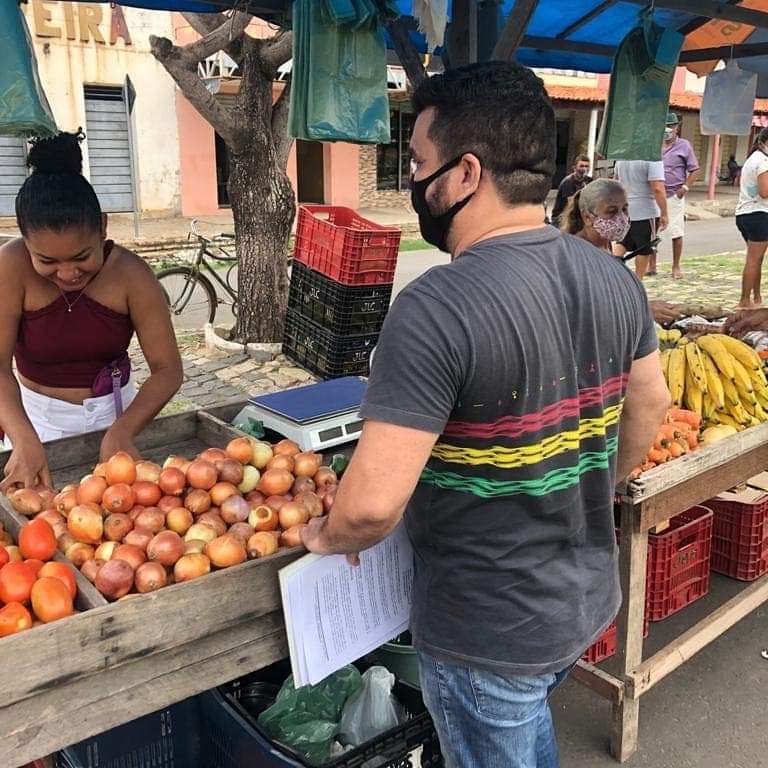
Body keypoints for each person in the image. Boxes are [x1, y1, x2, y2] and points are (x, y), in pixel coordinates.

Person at [300, 62, 670, 768]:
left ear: (465, 174)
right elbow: (650, 405)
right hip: (584, 600)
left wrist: (327, 533)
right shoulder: (611, 275)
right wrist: (579, 482)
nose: (414, 181)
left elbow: (372, 506)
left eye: (417, 162)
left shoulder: (435, 306)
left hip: (487, 632)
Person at [0, 131, 183, 490]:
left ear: (102, 228)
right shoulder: (9, 267)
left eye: (82, 257)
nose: (67, 274)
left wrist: (122, 431)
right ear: (24, 240)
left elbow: (168, 370)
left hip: (118, 415)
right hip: (36, 420)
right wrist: (22, 436)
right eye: (47, 261)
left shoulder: (132, 275)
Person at [561, 178, 682, 326]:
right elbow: (587, 309)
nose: (621, 218)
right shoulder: (575, 254)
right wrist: (643, 311)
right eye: (611, 212)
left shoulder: (604, 245)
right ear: (587, 217)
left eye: (624, 209)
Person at [613, 159, 668, 279]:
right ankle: (638, 282)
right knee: (644, 248)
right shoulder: (652, 160)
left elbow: (616, 182)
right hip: (645, 210)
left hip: (625, 208)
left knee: (622, 243)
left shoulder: (622, 159)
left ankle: (613, 275)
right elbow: (658, 188)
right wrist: (664, 212)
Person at [662, 113, 700, 279]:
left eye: (671, 126)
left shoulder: (684, 146)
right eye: (665, 126)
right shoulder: (655, 145)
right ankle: (651, 264)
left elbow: (695, 170)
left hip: (674, 193)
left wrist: (684, 188)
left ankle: (676, 266)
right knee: (651, 231)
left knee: (676, 230)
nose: (668, 130)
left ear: (677, 128)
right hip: (655, 193)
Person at [735, 127, 768, 309]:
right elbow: (764, 192)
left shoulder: (753, 158)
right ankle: (745, 300)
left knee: (757, 258)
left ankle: (756, 297)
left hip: (745, 213)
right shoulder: (763, 162)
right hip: (758, 214)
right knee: (754, 259)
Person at [550, 154, 591, 225]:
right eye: (581, 166)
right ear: (574, 168)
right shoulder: (568, 182)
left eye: (587, 166)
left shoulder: (589, 181)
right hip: (561, 217)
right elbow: (571, 205)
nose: (584, 169)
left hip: (576, 216)